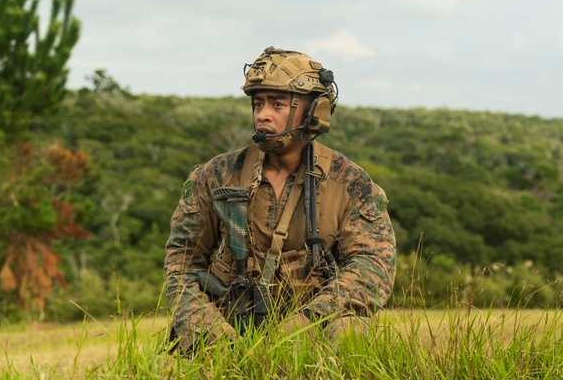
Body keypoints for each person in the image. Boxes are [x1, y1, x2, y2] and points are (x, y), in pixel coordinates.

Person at [165, 46, 397, 354]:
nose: (262, 114)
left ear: (315, 111)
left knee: (350, 332)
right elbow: (181, 264)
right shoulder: (216, 175)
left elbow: (374, 265)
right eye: (257, 103)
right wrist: (212, 332)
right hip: (229, 327)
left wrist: (307, 321)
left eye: (277, 104)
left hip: (315, 326)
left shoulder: (351, 183)